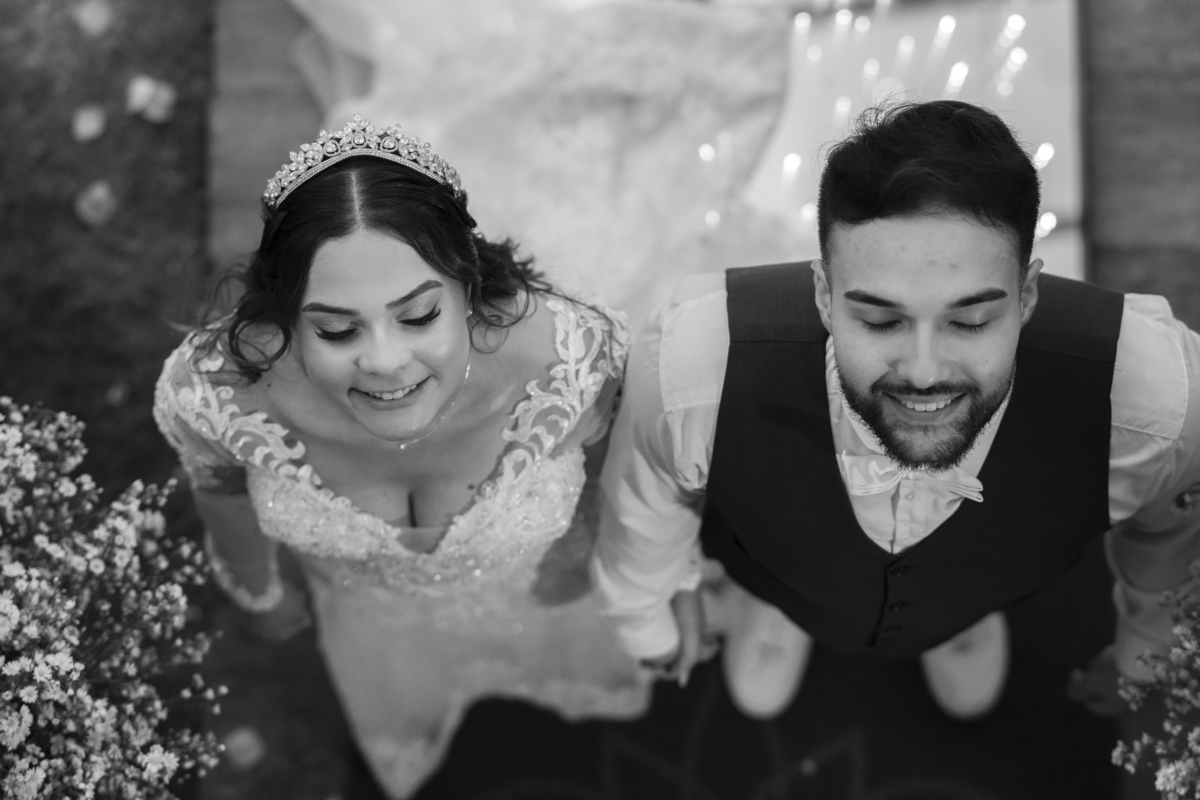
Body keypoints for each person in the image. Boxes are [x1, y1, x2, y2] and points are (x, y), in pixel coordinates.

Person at [592, 99, 1200, 722]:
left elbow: (1173, 543)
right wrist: (648, 626)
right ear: (824, 296)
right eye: (880, 320)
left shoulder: (1154, 405)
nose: (924, 372)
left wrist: (1146, 656)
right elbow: (641, 513)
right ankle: (776, 608)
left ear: (1027, 295)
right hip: (779, 576)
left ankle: (965, 620)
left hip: (991, 585)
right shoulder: (695, 372)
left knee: (980, 581)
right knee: (776, 569)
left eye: (971, 320)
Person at [154, 115, 649, 798]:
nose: (385, 362)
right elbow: (220, 488)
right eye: (336, 329)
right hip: (377, 629)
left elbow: (616, 474)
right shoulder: (217, 394)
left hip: (543, 596)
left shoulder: (569, 361)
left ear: (467, 286)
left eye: (418, 316)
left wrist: (591, 561)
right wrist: (258, 591)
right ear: (286, 313)